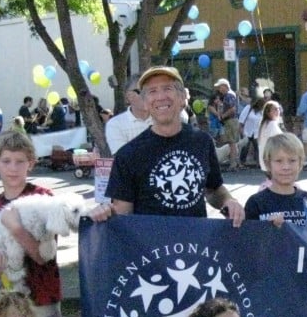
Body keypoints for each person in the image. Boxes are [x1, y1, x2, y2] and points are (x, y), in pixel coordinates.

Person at [93, 66, 244, 225]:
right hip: (150, 247)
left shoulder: (202, 142)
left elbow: (213, 190)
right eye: (152, 91)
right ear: (145, 102)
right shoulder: (128, 155)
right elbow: (122, 213)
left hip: (196, 245)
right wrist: (104, 213)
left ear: (182, 97)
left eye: (167, 88)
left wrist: (229, 201)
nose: (161, 97)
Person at [0, 131, 66, 317]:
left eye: (20, 161)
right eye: (6, 161)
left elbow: (43, 256)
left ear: (31, 164)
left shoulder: (44, 199)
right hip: (8, 300)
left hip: (42, 299)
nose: (13, 168)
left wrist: (17, 229)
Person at [244, 132, 307, 231]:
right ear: (268, 164)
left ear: (300, 163)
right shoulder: (256, 203)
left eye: (292, 160)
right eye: (279, 161)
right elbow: (247, 241)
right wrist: (266, 229)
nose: (286, 167)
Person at [105, 74, 149, 155]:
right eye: (141, 91)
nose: (147, 96)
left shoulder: (163, 119)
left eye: (151, 91)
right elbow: (123, 157)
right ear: (129, 96)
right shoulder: (115, 124)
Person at [211, 78, 241, 171]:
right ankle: (236, 162)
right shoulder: (229, 95)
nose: (219, 89)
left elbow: (232, 109)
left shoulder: (229, 95)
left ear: (225, 86)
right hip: (231, 120)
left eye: (220, 87)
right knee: (232, 143)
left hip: (230, 120)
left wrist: (223, 116)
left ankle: (233, 164)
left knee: (232, 143)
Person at [256, 100, 285, 174]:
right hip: (272, 161)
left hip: (265, 161)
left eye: (278, 109)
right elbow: (281, 141)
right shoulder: (272, 124)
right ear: (268, 112)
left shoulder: (264, 123)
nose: (277, 111)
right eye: (275, 109)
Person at [238, 91, 261, 167]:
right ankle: (242, 162)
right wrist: (241, 131)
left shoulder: (261, 111)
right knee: (245, 147)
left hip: (257, 132)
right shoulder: (248, 108)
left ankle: (259, 162)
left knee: (258, 147)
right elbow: (241, 121)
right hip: (247, 131)